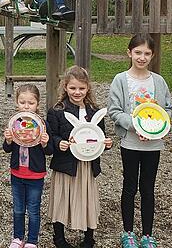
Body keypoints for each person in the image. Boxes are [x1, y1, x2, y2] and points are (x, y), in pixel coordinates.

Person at [106, 34, 172, 248]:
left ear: (152, 55)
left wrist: (155, 130)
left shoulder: (158, 81)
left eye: (146, 53)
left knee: (148, 188)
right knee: (129, 186)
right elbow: (114, 110)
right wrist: (136, 126)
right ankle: (128, 232)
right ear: (129, 53)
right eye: (138, 52)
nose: (142, 57)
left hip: (153, 144)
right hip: (131, 142)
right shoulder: (121, 79)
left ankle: (147, 234)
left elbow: (167, 110)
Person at [46, 66, 112, 248]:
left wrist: (107, 144)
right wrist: (59, 142)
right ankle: (59, 237)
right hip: (66, 164)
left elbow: (100, 136)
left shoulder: (94, 112)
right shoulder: (57, 111)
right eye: (73, 88)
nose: (77, 92)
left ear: (87, 88)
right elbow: (51, 135)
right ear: (65, 87)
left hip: (87, 165)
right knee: (62, 198)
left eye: (81, 88)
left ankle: (89, 237)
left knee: (87, 198)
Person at [3, 84, 51, 248]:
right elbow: (7, 148)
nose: (26, 106)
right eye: (22, 102)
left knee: (33, 209)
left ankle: (32, 240)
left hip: (35, 175)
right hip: (17, 173)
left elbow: (49, 151)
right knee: (18, 209)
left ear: (37, 103)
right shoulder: (15, 123)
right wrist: (8, 139)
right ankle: (17, 238)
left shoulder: (42, 124)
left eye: (30, 103)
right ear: (17, 102)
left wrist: (45, 143)